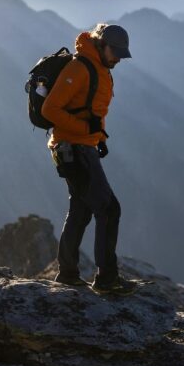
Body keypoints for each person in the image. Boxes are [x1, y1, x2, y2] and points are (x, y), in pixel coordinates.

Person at [42, 23, 134, 294]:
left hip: (82, 146)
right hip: (73, 148)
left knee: (81, 210)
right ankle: (106, 278)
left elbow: (92, 109)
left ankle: (68, 274)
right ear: (101, 44)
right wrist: (86, 132)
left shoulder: (100, 68)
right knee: (108, 209)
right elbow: (50, 109)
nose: (117, 58)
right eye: (114, 52)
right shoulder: (79, 68)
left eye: (121, 54)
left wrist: (99, 138)